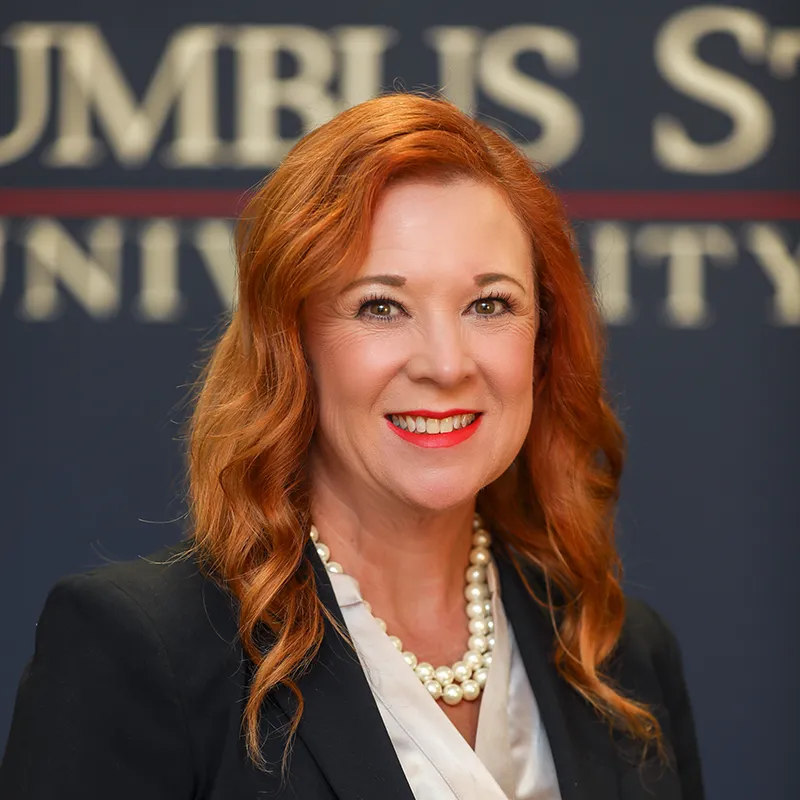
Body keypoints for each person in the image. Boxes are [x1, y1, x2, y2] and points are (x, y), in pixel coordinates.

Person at [0, 93, 704, 800]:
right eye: (381, 307)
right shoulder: (145, 650)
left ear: (542, 342)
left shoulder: (618, 652)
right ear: (293, 344)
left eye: (489, 305)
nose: (446, 363)